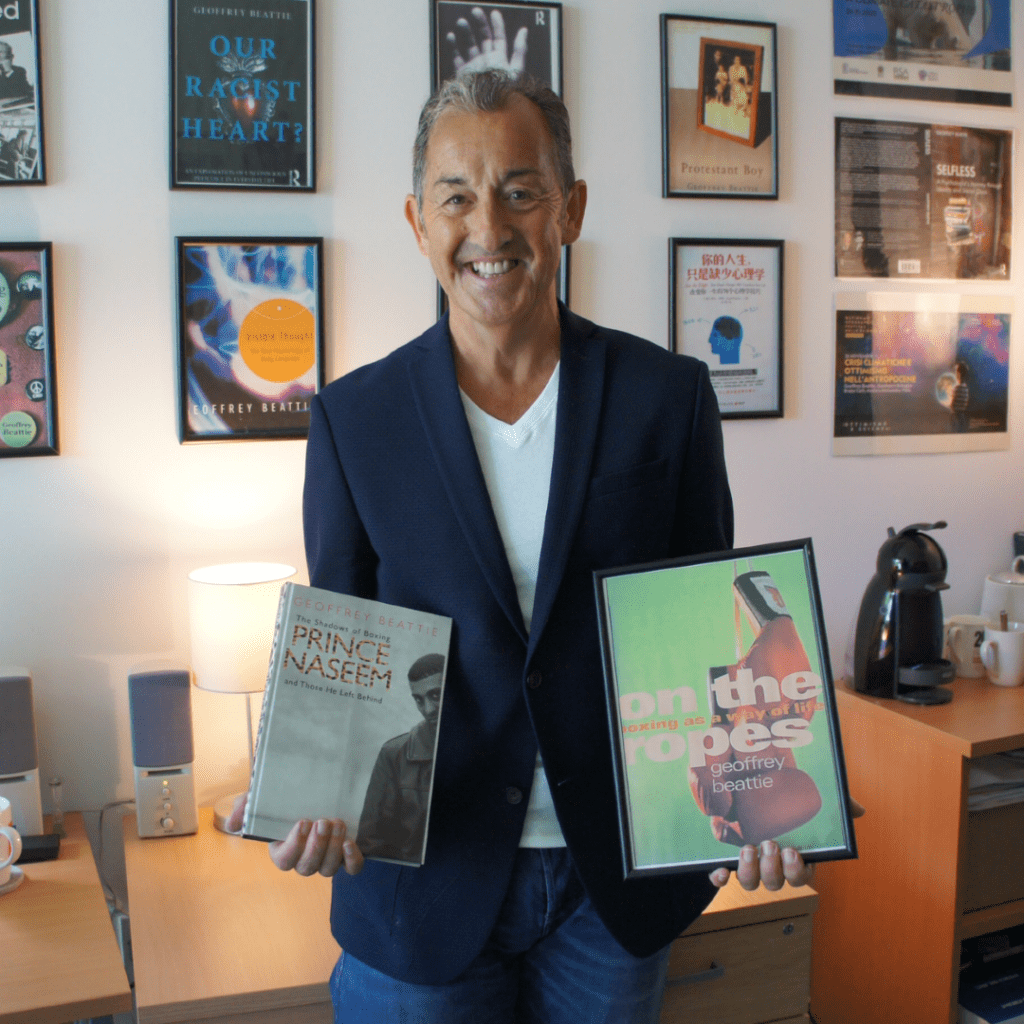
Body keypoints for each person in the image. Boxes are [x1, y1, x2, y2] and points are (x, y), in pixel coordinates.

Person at [228, 68, 814, 1023]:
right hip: (424, 888)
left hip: (609, 890)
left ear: (570, 209)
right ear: (419, 223)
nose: (488, 229)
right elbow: (345, 642)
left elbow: (712, 645)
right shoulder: (353, 419)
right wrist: (316, 798)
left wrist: (760, 798)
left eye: (520, 191)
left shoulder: (667, 398)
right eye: (456, 196)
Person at [356, 653, 445, 864]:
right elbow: (372, 844)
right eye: (419, 700)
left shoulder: (488, 742)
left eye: (435, 695)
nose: (428, 709)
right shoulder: (394, 754)